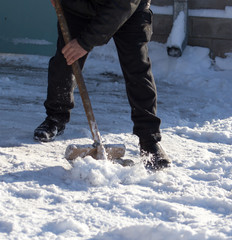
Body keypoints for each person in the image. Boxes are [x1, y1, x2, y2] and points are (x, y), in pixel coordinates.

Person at [34, 0, 171, 170]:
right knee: (65, 61)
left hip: (128, 10)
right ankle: (55, 118)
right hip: (78, 7)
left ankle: (149, 141)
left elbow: (123, 5)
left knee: (137, 70)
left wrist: (85, 42)